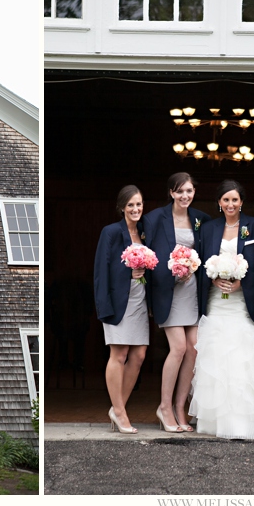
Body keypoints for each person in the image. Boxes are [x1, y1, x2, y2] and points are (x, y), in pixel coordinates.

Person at [190, 179, 254, 439]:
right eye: (226, 200)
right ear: (219, 203)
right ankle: (215, 421)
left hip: (243, 302)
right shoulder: (208, 228)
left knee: (243, 354)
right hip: (215, 301)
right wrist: (212, 277)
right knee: (215, 355)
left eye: (235, 199)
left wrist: (243, 280)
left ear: (242, 202)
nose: (230, 204)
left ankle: (244, 421)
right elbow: (199, 262)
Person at [146, 172, 210, 432]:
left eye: (189, 191)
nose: (185, 196)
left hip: (192, 291)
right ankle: (164, 407)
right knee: (179, 348)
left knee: (194, 349)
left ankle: (180, 408)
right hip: (167, 292)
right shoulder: (154, 219)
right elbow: (147, 254)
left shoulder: (201, 219)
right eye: (180, 191)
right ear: (171, 192)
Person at [93, 185, 150, 434]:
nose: (135, 209)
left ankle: (119, 408)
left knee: (138, 356)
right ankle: (119, 411)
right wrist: (128, 272)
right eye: (130, 205)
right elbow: (101, 269)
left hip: (140, 300)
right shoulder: (111, 232)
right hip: (118, 301)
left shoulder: (144, 233)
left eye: (138, 204)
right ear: (122, 208)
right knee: (119, 354)